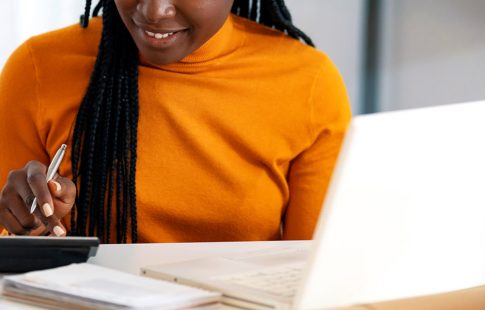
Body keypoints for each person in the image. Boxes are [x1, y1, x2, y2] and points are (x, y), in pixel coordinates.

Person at [0, 0, 351, 243]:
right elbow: (12, 252)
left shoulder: (308, 83)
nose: (153, 11)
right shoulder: (37, 69)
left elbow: (316, 272)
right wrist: (30, 228)